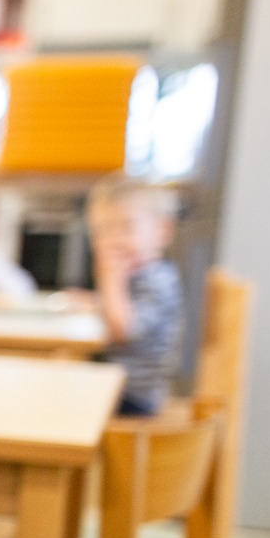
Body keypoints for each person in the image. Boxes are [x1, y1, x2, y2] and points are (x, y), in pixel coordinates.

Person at [85, 175, 184, 416]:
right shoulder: (140, 276)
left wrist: (110, 280)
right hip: (120, 387)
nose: (114, 241)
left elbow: (123, 330)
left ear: (162, 231)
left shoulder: (158, 281)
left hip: (133, 399)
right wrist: (94, 301)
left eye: (127, 228)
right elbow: (122, 309)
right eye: (103, 231)